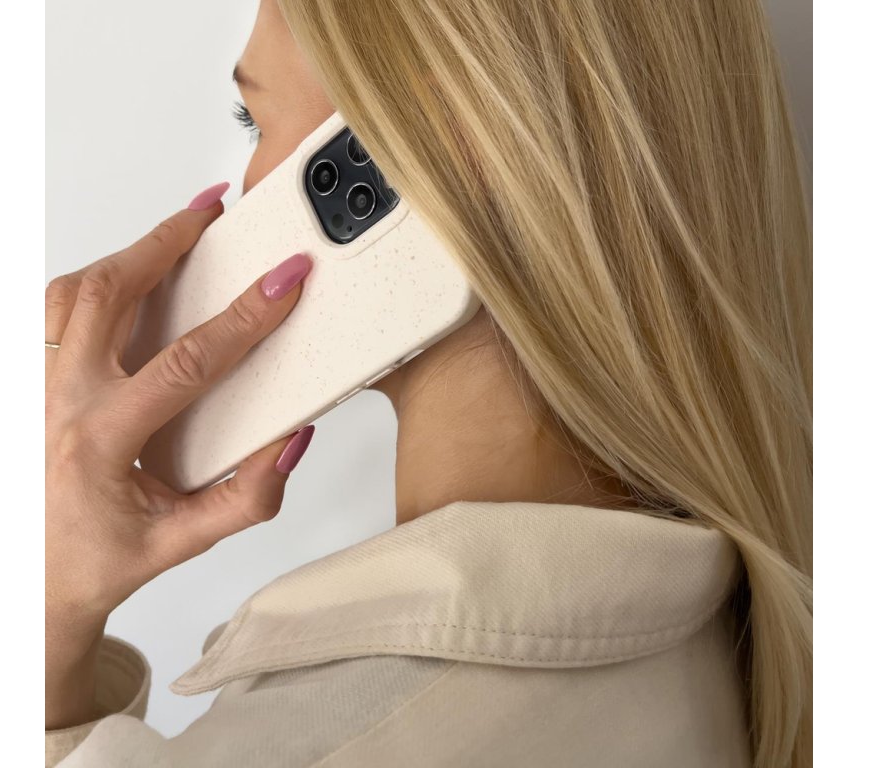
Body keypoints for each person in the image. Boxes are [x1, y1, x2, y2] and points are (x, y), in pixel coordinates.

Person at [45, 0, 812, 765]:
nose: (236, 206)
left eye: (256, 123)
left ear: (430, 155)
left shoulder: (327, 742)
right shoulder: (709, 632)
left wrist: (42, 603)